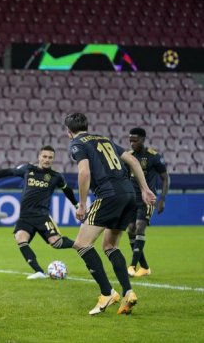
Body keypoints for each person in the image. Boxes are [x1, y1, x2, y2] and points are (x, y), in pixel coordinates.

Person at [65, 113, 156, 316]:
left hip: (108, 195)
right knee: (110, 246)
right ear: (87, 125)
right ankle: (128, 292)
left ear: (68, 131)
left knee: (81, 244)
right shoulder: (103, 138)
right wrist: (144, 188)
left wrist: (81, 204)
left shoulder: (77, 143)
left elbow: (84, 172)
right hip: (128, 194)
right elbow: (131, 159)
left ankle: (107, 293)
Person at [0, 145, 78, 279]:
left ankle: (79, 244)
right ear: (39, 157)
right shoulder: (27, 169)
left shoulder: (56, 177)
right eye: (44, 156)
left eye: (50, 157)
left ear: (53, 159)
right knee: (20, 237)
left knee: (56, 243)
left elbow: (67, 190)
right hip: (25, 217)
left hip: (42, 216)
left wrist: (76, 204)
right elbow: (7, 172)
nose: (47, 160)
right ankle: (38, 271)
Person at [126, 127, 170, 278]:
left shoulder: (153, 156)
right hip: (131, 200)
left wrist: (162, 199)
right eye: (130, 140)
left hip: (147, 199)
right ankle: (144, 267)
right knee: (130, 229)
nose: (132, 143)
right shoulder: (129, 157)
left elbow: (165, 178)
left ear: (143, 140)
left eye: (135, 140)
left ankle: (132, 266)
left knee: (139, 227)